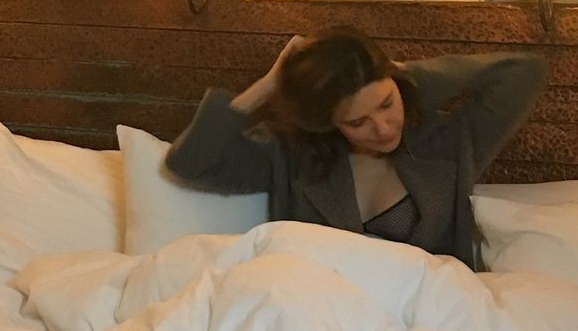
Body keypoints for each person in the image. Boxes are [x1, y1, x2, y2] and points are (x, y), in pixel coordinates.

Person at [165, 28, 547, 265]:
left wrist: (404, 77)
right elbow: (190, 163)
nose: (382, 128)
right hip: (320, 315)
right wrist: (270, 83)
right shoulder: (291, 154)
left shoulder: (448, 142)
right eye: (356, 122)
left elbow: (523, 72)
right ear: (327, 122)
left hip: (425, 319)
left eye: (387, 104)